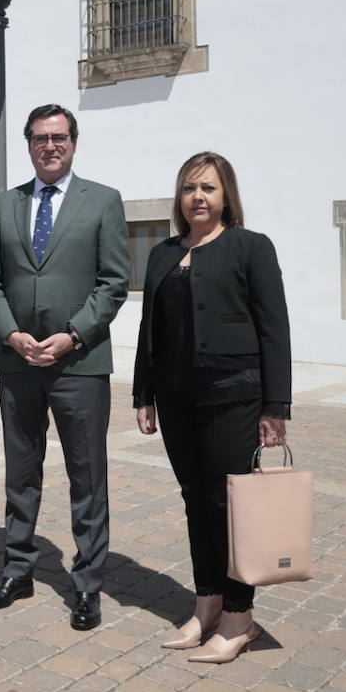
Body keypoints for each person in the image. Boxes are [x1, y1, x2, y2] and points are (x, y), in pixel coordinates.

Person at [0, 104, 129, 630]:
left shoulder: (103, 201)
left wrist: (71, 335)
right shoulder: (5, 204)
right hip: (20, 363)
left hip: (80, 363)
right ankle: (17, 570)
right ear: (28, 144)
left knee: (87, 476)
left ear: (73, 141)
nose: (50, 145)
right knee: (21, 473)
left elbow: (113, 282)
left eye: (58, 136)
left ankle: (87, 584)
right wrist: (11, 335)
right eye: (40, 138)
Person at [134, 151, 291, 664]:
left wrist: (276, 406)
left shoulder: (250, 247)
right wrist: (143, 393)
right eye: (188, 189)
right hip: (177, 400)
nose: (197, 197)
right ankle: (207, 605)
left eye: (208, 188)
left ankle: (239, 618)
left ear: (226, 196)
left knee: (230, 507)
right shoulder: (161, 254)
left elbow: (274, 328)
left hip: (234, 396)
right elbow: (147, 328)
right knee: (195, 502)